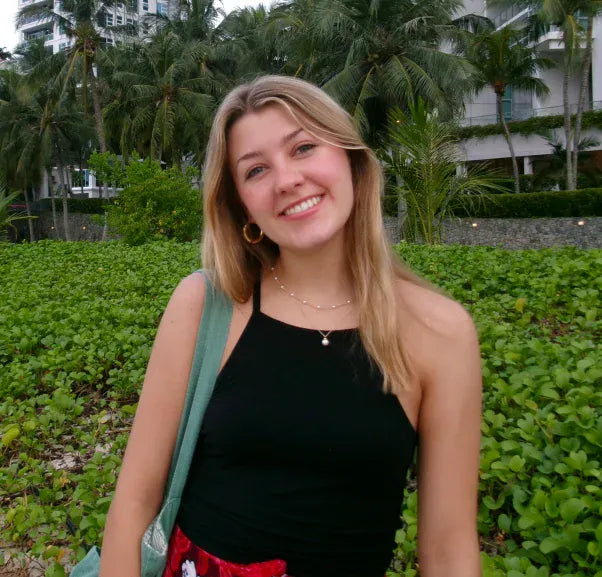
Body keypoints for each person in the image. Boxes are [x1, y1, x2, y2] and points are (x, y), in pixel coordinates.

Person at [98, 75, 483, 577]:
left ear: (351, 159)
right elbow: (134, 504)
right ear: (241, 203)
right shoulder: (206, 305)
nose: (286, 180)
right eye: (256, 170)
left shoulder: (439, 331)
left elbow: (449, 550)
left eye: (303, 148)